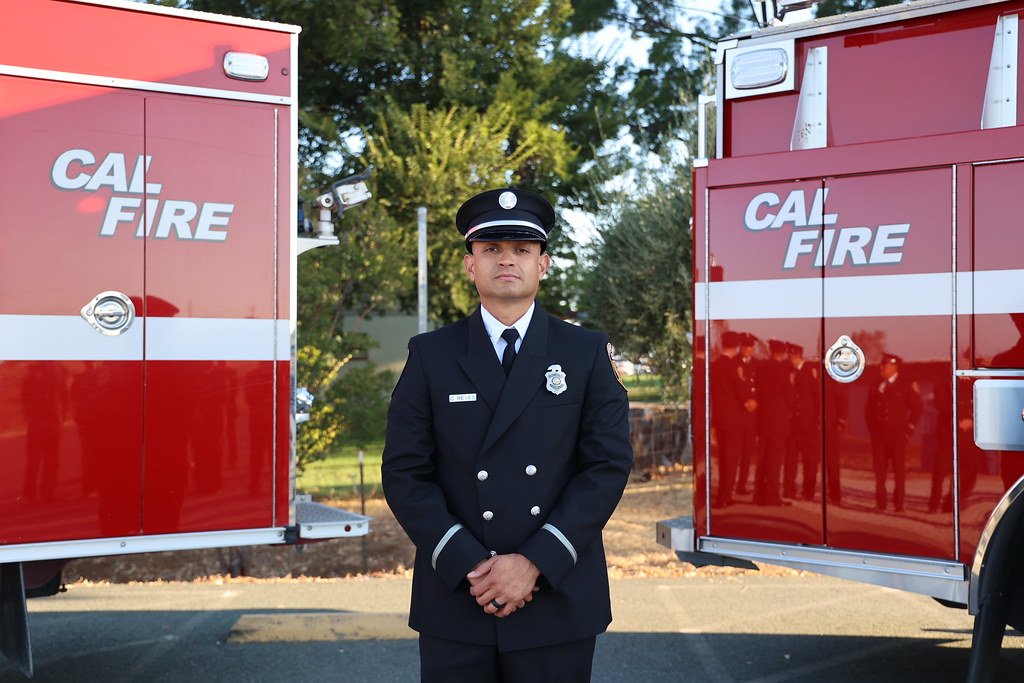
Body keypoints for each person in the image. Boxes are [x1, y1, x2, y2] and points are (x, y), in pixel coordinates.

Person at [381, 188, 633, 682]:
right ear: (470, 266)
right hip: (459, 593)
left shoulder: (585, 352)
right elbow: (406, 472)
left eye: (522, 249)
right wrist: (473, 566)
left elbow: (606, 467)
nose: (506, 260)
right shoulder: (431, 355)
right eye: (491, 249)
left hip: (556, 593)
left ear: (543, 265)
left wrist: (534, 563)